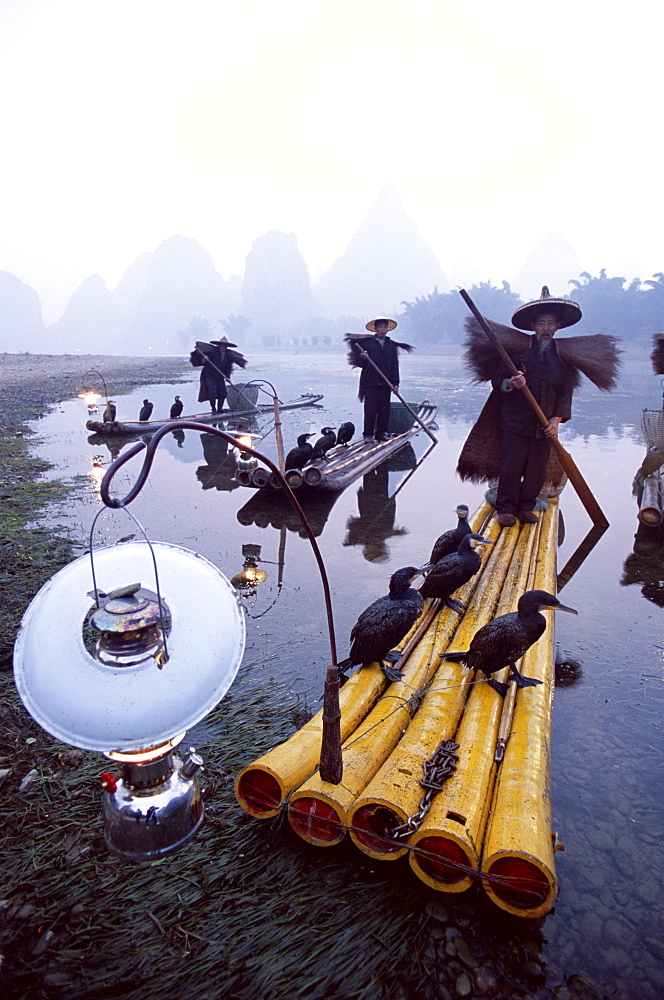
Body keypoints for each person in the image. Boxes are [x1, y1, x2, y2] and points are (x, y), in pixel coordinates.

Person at [456, 286, 622, 526]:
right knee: (512, 466)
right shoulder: (516, 354)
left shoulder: (564, 360)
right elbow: (497, 382)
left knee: (536, 469)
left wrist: (556, 420)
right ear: (533, 326)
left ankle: (525, 506)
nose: (546, 328)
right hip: (515, 421)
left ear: (557, 327)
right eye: (542, 323)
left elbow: (566, 393)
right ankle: (505, 508)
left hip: (544, 425)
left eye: (551, 324)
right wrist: (511, 383)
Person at [346, 317, 412, 442]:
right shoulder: (368, 344)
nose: (382, 329)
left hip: (386, 383)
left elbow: (394, 365)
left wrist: (395, 383)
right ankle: (368, 434)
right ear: (375, 329)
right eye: (380, 327)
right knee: (370, 409)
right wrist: (363, 357)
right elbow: (360, 363)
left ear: (387, 329)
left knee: (384, 410)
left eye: (384, 327)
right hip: (371, 382)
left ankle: (381, 433)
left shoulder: (391, 346)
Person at [189, 336, 247, 413]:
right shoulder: (211, 352)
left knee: (223, 393)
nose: (224, 347)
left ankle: (220, 408)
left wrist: (227, 377)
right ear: (219, 345)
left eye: (225, 346)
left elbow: (228, 368)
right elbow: (197, 359)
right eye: (222, 345)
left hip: (220, 376)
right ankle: (213, 409)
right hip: (209, 374)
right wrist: (204, 359)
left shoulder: (228, 355)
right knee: (212, 392)